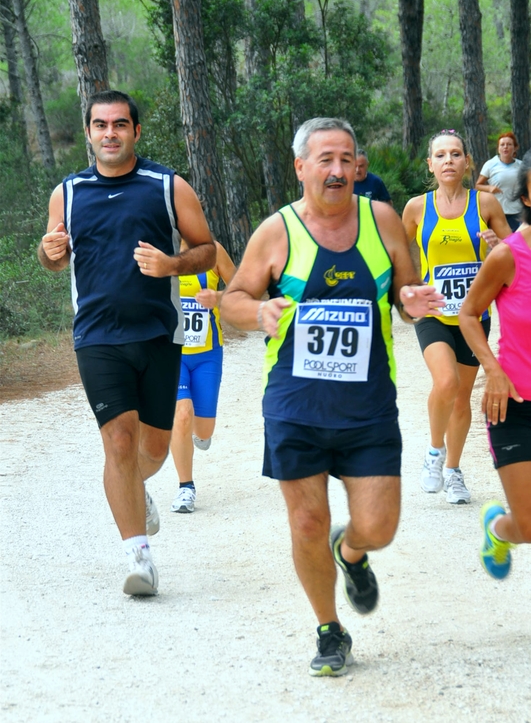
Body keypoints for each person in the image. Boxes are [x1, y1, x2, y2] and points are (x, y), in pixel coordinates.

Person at [221, 117, 444, 677]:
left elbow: (402, 290)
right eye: (325, 159)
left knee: (380, 526)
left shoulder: (382, 220)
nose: (338, 169)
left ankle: (353, 551)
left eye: (346, 158)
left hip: (367, 407)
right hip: (295, 406)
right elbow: (233, 300)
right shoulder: (276, 232)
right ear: (301, 167)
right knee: (305, 524)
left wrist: (412, 300)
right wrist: (259, 312)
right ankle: (329, 629)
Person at [38, 90, 215, 596]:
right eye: (100, 125)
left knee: (153, 448)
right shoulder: (67, 194)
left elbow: (206, 249)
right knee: (117, 440)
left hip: (159, 333)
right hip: (97, 337)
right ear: (90, 133)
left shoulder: (167, 185)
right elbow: (53, 256)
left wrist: (173, 264)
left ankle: (138, 489)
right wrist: (48, 252)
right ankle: (139, 558)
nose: (109, 133)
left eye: (120, 124)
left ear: (135, 132)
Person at [402, 129, 511, 505]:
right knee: (446, 382)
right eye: (441, 155)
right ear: (430, 164)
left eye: (455, 154)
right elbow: (399, 257)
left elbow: (515, 254)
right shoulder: (416, 208)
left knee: (462, 397)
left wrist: (497, 247)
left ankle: (453, 470)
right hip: (433, 313)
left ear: (468, 163)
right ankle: (433, 454)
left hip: (472, 315)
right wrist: (409, 289)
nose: (448, 160)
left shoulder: (485, 205)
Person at [459, 150, 531, 579]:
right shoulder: (508, 255)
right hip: (515, 404)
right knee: (528, 526)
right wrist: (494, 371)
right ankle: (500, 528)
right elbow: (469, 314)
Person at [170, 241, 236, 513]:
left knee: (204, 431)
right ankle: (186, 488)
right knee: (182, 414)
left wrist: (219, 298)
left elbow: (241, 289)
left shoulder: (214, 251)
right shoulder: (160, 248)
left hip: (208, 354)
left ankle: (197, 433)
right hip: (172, 354)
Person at [476, 132, 523, 232]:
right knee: (500, 244)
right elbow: (478, 185)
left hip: (517, 212)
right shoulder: (490, 165)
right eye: (502, 145)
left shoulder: (522, 166)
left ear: (515, 148)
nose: (505, 147)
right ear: (498, 148)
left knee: (516, 245)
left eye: (509, 144)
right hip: (497, 212)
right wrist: (489, 188)